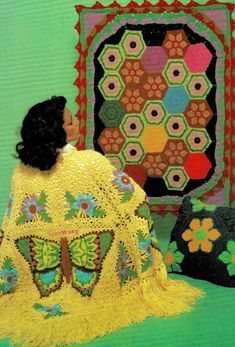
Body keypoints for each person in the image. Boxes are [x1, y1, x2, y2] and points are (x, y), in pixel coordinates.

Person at [0, 96, 202, 347]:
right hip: (92, 258)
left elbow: (13, 225)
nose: (77, 123)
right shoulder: (89, 162)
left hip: (42, 261)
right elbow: (132, 198)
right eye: (71, 121)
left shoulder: (22, 170)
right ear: (56, 130)